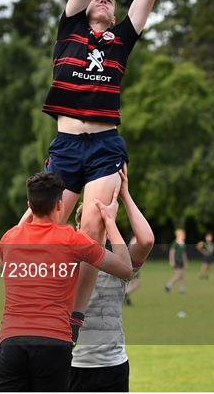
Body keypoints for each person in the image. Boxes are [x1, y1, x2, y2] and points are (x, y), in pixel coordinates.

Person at [0, 0, 176, 357]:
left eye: (111, 0)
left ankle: (73, 318)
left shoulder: (120, 43)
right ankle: (12, 322)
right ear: (86, 10)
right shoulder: (68, 30)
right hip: (66, 147)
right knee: (36, 230)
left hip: (105, 147)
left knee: (89, 229)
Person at [0, 172, 133, 392]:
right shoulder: (72, 240)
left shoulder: (9, 239)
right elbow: (125, 269)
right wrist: (109, 222)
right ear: (59, 205)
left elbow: (3, 266)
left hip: (11, 342)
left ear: (29, 204)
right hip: (53, 343)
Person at [70, 167, 154, 392]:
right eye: (84, 226)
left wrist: (124, 195)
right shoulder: (65, 261)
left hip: (112, 364)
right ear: (76, 228)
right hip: (70, 364)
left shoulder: (118, 263)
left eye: (98, 227)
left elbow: (145, 241)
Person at [165, 229, 187, 294]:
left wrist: (185, 261)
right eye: (183, 235)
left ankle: (181, 288)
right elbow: (171, 252)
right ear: (179, 235)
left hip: (181, 262)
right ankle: (168, 285)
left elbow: (183, 254)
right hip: (176, 261)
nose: (184, 236)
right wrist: (171, 261)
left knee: (181, 275)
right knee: (178, 274)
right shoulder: (175, 243)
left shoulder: (183, 244)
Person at [124, 236, 140, 306]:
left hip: (131, 263)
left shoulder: (134, 239)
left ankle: (127, 299)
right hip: (132, 264)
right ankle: (125, 294)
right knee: (136, 283)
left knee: (130, 283)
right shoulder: (136, 239)